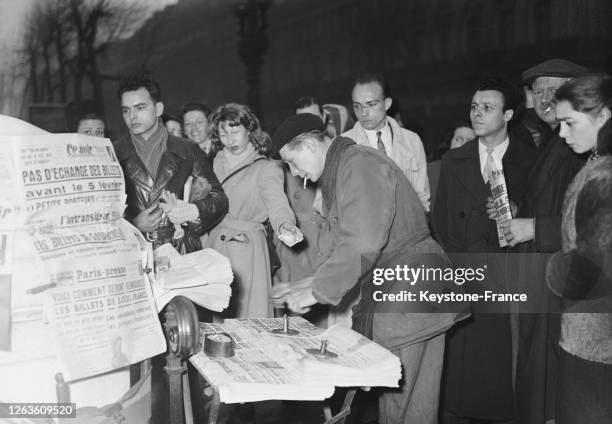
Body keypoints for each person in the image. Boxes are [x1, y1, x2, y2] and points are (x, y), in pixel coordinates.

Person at [271, 113, 467, 424]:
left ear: (309, 145)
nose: (297, 175)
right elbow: (342, 245)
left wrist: (318, 291)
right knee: (403, 405)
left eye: (293, 163)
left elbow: (363, 241)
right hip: (403, 291)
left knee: (406, 408)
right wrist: (304, 284)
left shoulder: (359, 164)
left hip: (410, 291)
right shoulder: (344, 170)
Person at [432, 77, 534, 423]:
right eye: (474, 107)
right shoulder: (454, 160)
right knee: (462, 372)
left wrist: (518, 211)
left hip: (506, 276)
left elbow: (544, 213)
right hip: (465, 275)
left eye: (487, 108)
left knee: (499, 370)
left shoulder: (529, 160)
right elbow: (441, 221)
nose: (477, 113)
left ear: (507, 114)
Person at [499, 59, 588, 424]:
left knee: (550, 377)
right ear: (529, 98)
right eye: (540, 92)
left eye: (556, 90)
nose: (548, 99)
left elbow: (582, 217)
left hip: (562, 273)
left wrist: (534, 227)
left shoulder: (580, 145)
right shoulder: (557, 140)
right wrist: (518, 210)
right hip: (541, 270)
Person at [545, 73, 612, 424]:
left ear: (603, 116)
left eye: (570, 122)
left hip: (595, 342)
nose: (562, 133)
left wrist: (556, 270)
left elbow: (593, 273)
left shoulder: (603, 176)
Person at [202, 103, 301, 318]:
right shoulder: (212, 162)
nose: (230, 138)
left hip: (246, 250)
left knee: (247, 315)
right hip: (214, 247)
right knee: (217, 320)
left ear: (249, 130)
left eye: (235, 131)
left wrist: (285, 224)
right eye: (224, 133)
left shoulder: (265, 167)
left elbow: (277, 204)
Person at [112, 73, 228, 253]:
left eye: (140, 107)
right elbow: (101, 217)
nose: (132, 116)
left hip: (181, 249)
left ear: (158, 109)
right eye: (126, 110)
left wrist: (192, 211)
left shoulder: (188, 149)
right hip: (134, 254)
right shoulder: (111, 154)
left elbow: (219, 200)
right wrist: (132, 226)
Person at [343, 73, 430, 212]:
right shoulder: (343, 146)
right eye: (357, 106)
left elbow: (422, 197)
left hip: (409, 227)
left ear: (387, 103)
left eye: (371, 104)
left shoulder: (411, 140)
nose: (363, 113)